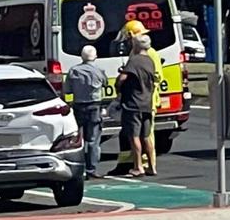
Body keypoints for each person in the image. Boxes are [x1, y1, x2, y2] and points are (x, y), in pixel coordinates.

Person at [107, 20, 163, 176]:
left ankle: (143, 165)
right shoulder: (142, 53)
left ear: (132, 36)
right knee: (136, 134)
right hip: (145, 100)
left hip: (141, 101)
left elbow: (156, 77)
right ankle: (130, 164)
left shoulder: (144, 54)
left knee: (141, 135)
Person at [64, 45, 108, 179]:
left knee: (78, 138)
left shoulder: (74, 70)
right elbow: (105, 84)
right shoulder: (99, 70)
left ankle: (79, 167)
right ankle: (91, 168)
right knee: (93, 139)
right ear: (94, 56)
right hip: (94, 106)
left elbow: (68, 90)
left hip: (78, 106)